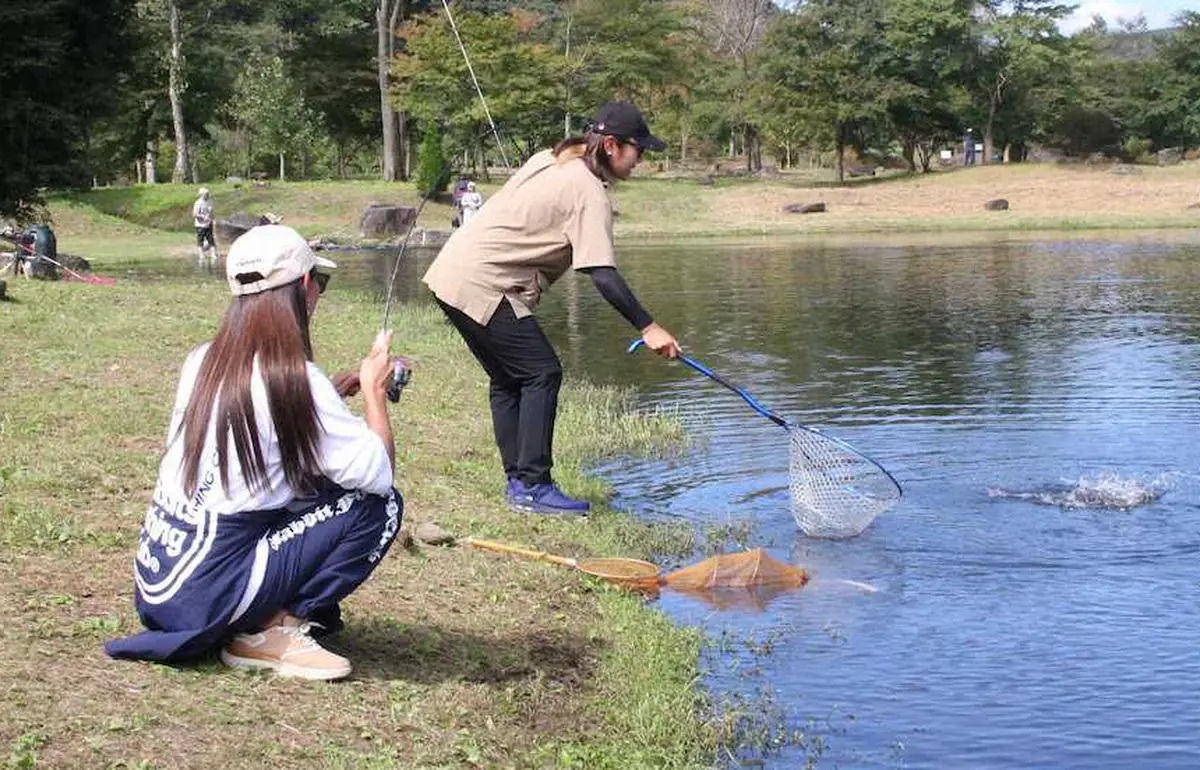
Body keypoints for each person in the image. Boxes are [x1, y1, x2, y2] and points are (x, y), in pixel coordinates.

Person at [105, 224, 403, 681]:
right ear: (305, 287)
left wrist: (332, 390)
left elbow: (256, 435)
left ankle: (258, 616)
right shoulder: (296, 382)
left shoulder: (202, 360)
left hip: (160, 590)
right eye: (319, 282)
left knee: (320, 485)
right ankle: (269, 631)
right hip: (207, 595)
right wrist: (375, 393)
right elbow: (378, 472)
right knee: (378, 507)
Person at [422, 100, 682, 516]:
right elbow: (602, 274)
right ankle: (533, 485)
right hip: (483, 282)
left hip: (450, 273)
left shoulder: (553, 158)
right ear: (613, 146)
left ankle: (519, 481)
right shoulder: (589, 191)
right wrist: (648, 327)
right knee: (542, 372)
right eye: (640, 150)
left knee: (510, 378)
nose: (641, 161)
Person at [193, 187, 218, 264]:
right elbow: (194, 214)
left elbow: (212, 212)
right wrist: (203, 217)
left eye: (208, 194)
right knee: (200, 240)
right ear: (202, 195)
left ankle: (213, 254)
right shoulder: (198, 203)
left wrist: (213, 220)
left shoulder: (210, 202)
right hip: (200, 225)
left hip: (209, 224)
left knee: (211, 239)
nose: (208, 195)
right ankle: (201, 254)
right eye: (206, 194)